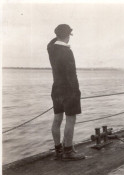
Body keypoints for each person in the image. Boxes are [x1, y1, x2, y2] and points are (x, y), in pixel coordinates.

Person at [47, 24, 85, 161]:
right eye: (69, 35)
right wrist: (76, 91)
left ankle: (58, 149)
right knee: (71, 119)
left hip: (56, 88)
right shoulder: (67, 52)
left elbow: (51, 41)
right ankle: (68, 151)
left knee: (57, 119)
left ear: (57, 35)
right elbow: (71, 75)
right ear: (67, 36)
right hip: (68, 90)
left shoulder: (51, 48)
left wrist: (58, 34)